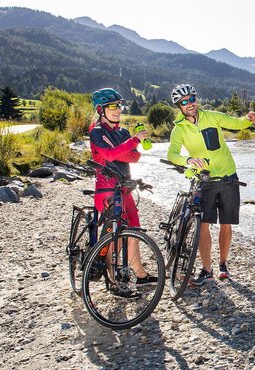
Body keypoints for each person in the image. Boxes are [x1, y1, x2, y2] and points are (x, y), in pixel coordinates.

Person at [166, 83, 255, 285]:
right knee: (203, 225)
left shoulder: (212, 116)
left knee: (226, 223)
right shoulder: (179, 129)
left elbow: (236, 123)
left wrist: (248, 120)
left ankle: (223, 265)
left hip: (228, 177)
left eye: (192, 99)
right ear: (179, 105)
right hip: (203, 181)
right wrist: (187, 161)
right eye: (184, 101)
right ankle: (207, 269)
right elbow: (172, 154)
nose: (190, 104)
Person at [89, 88, 157, 297]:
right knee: (115, 236)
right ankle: (113, 281)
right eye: (113, 106)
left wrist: (123, 149)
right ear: (101, 110)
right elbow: (110, 154)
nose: (118, 110)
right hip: (107, 189)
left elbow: (134, 158)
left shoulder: (123, 132)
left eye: (119, 106)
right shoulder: (97, 132)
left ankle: (140, 274)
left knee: (134, 231)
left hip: (125, 188)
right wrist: (131, 144)